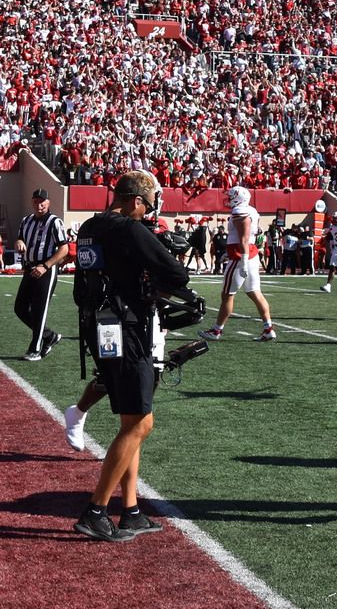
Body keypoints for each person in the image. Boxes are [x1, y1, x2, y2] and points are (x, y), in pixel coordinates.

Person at [71, 171, 191, 541]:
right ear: (136, 200)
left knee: (133, 422)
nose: (148, 211)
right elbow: (177, 273)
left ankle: (132, 510)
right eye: (148, 204)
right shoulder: (129, 228)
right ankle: (96, 511)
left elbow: (82, 288)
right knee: (140, 422)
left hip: (99, 327)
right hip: (127, 329)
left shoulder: (90, 226)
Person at [199, 187, 276, 342]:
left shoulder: (240, 212)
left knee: (227, 295)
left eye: (231, 196)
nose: (228, 198)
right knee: (255, 293)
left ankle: (216, 331)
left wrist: (242, 260)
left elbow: (243, 239)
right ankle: (268, 329)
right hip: (249, 254)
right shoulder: (251, 210)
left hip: (241, 256)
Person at [15, 188, 70, 361]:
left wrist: (45, 266)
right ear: (32, 203)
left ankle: (36, 349)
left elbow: (64, 248)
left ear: (48, 203)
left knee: (40, 310)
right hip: (29, 268)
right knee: (20, 308)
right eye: (36, 202)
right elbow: (20, 237)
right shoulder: (26, 221)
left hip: (46, 269)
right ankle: (50, 336)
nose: (39, 205)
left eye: (42, 202)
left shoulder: (54, 222)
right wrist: (19, 242)